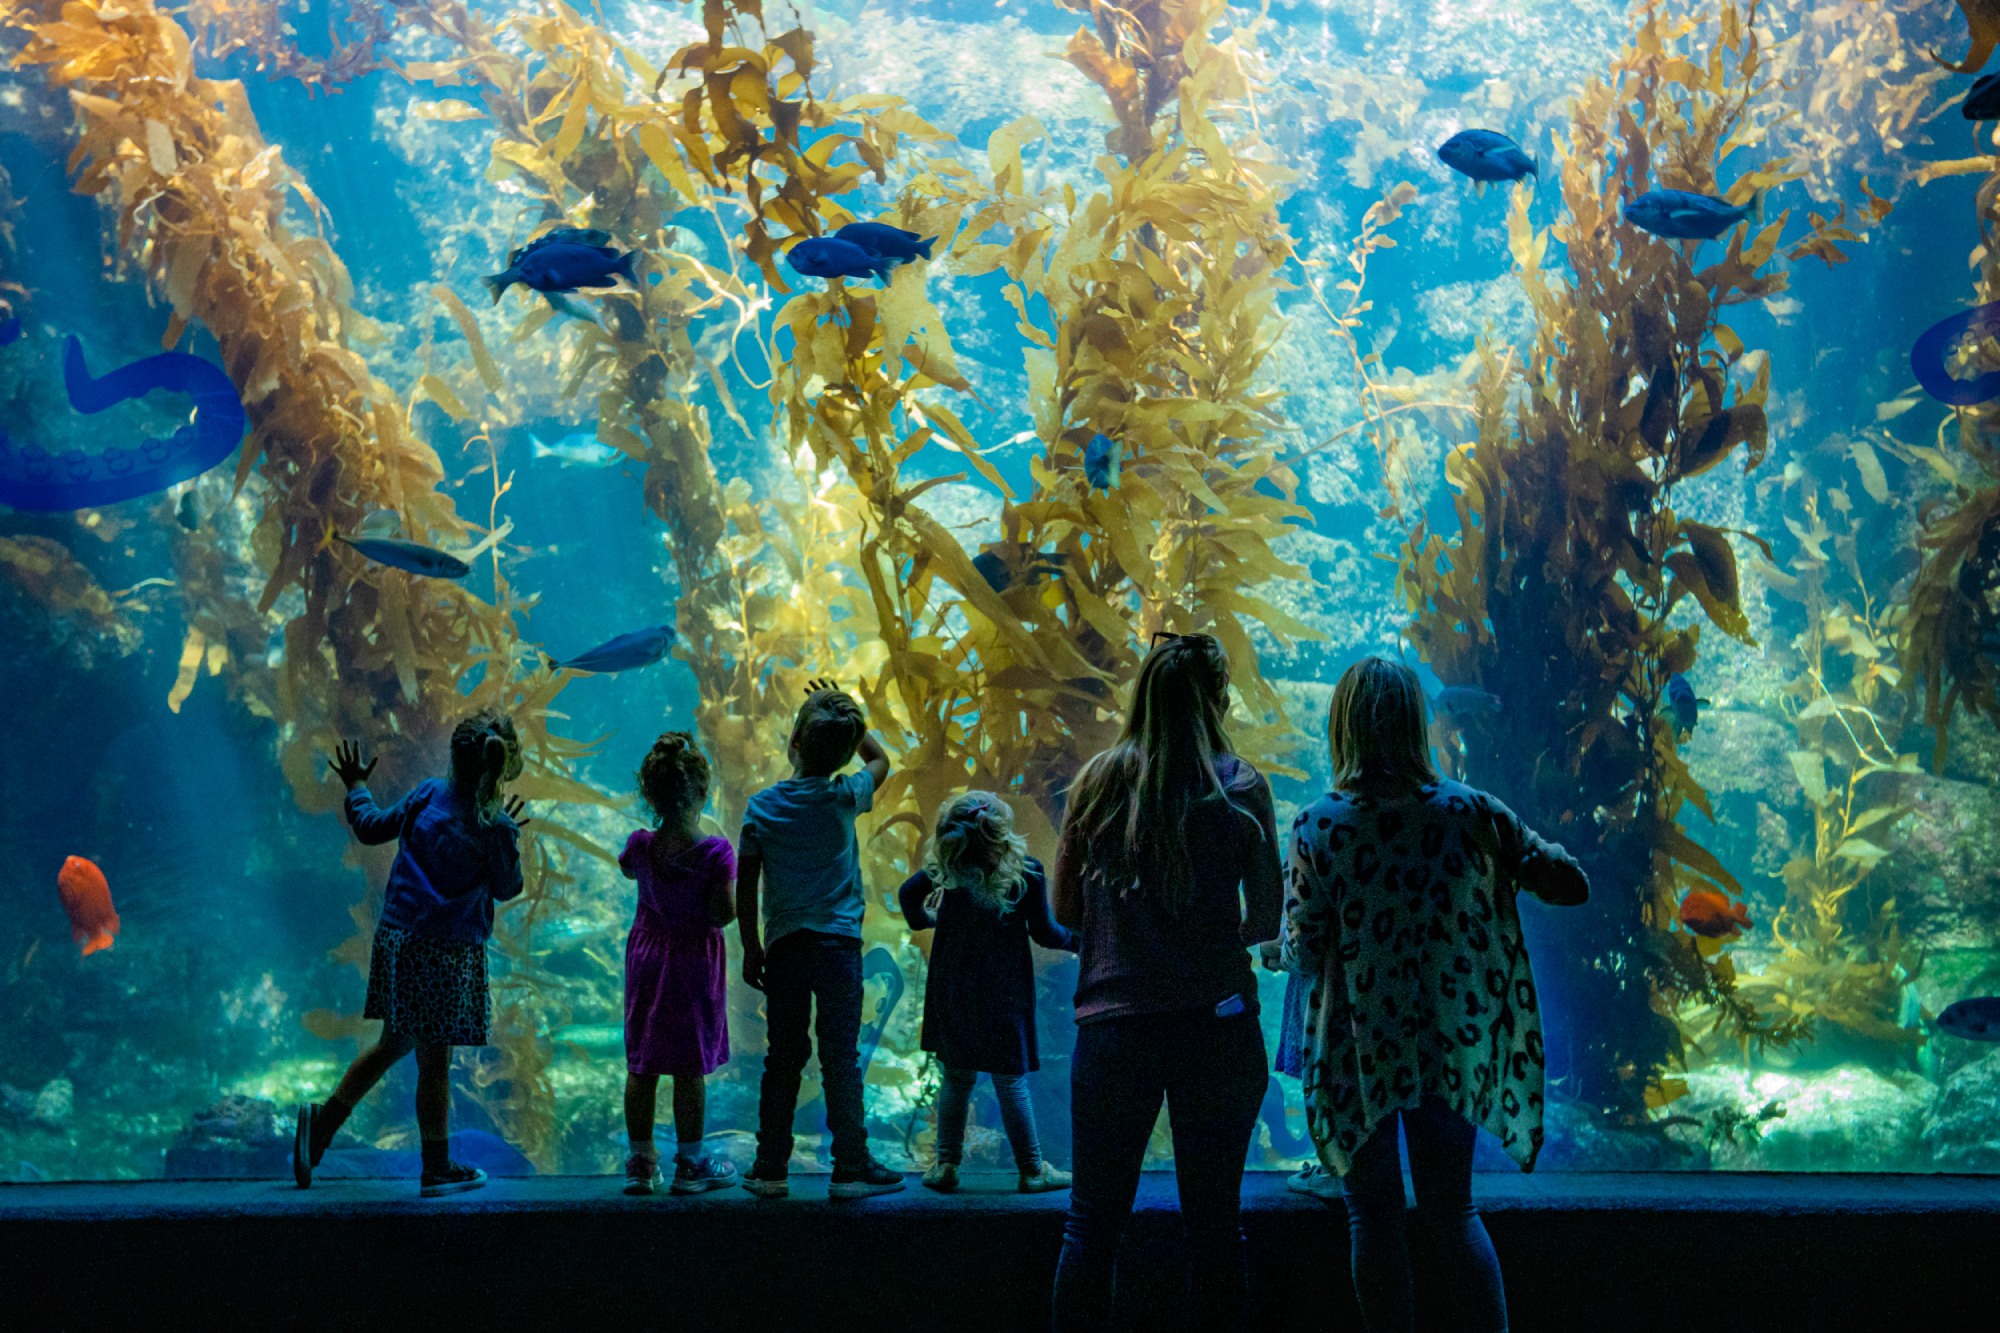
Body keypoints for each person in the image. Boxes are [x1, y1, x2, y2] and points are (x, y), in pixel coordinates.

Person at [1282, 658, 1590, 1333]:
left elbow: (1303, 948)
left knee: (1372, 1215)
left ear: (1345, 728)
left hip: (1357, 1049)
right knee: (1454, 1211)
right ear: (1419, 725)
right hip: (1450, 1042)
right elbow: (1571, 883)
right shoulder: (1471, 810)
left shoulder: (1317, 825)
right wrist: (1526, 859)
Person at [1049, 632, 1282, 1331]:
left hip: (1115, 1030)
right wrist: (1204, 945)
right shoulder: (1241, 787)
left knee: (1091, 1226)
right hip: (1218, 1027)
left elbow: (1062, 909)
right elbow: (1266, 916)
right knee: (1215, 1228)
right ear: (1214, 701)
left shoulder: (1097, 782)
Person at [293, 710, 529, 1198]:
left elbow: (370, 826)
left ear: (455, 757)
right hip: (445, 953)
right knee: (435, 1062)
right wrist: (509, 839)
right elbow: (508, 887)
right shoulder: (497, 827)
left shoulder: (427, 794)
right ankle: (437, 1166)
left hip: (400, 940)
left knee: (394, 1043)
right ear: (503, 767)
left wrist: (356, 783)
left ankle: (322, 1123)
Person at [736, 680, 904, 1199]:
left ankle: (769, 1169)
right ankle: (850, 1166)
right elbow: (882, 761)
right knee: (840, 1057)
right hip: (837, 949)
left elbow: (747, 887)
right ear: (843, 750)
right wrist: (849, 719)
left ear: (793, 742)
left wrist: (751, 947)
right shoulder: (845, 795)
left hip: (784, 948)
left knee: (783, 1056)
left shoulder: (760, 808)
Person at [897, 791, 1077, 1194]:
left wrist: (924, 921)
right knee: (1010, 1081)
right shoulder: (1026, 873)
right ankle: (1033, 1171)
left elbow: (908, 895)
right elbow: (1046, 933)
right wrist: (1078, 942)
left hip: (954, 991)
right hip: (1005, 994)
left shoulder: (945, 869)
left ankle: (946, 1166)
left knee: (957, 1079)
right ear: (1001, 833)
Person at [619, 732, 738, 1196]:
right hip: (692, 961)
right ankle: (690, 1165)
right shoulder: (715, 851)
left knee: (642, 1062)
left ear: (649, 793)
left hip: (647, 957)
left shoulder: (641, 844)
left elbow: (627, 866)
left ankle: (641, 1164)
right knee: (688, 1065)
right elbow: (724, 911)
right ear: (704, 793)